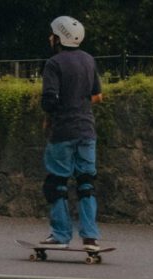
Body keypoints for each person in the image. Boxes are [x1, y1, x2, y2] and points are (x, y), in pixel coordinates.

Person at [40, 16, 104, 251]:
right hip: (87, 130)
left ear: (59, 37)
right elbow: (97, 96)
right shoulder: (89, 60)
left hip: (63, 130)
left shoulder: (53, 63)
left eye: (52, 34)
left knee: (57, 183)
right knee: (86, 182)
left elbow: (50, 99)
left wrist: (48, 116)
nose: (49, 37)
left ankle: (60, 235)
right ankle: (90, 237)